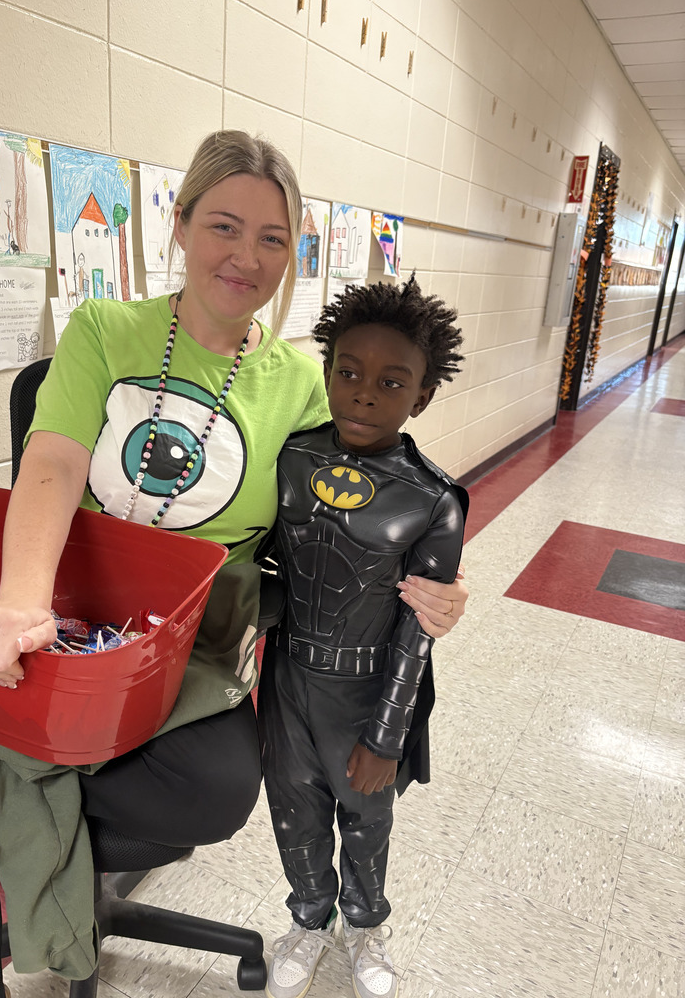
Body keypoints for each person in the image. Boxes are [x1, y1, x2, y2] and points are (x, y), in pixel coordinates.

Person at [0, 131, 469, 998]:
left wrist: (435, 584)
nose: (245, 257)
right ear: (177, 225)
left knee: (211, 791)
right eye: (223, 226)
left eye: (273, 239)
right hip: (62, 614)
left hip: (186, 649)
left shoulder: (303, 384)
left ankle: (21, 788)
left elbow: (376, 495)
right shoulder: (103, 331)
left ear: (294, 253)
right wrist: (22, 603)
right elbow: (53, 463)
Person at [259, 276, 467, 998]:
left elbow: (419, 628)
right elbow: (256, 560)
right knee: (295, 808)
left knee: (366, 816)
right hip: (287, 677)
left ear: (423, 395)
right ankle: (309, 919)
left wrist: (388, 733)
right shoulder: (288, 458)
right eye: (347, 373)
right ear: (327, 372)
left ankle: (364, 923)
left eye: (390, 381)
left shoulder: (433, 498)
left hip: (366, 683)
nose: (364, 394)